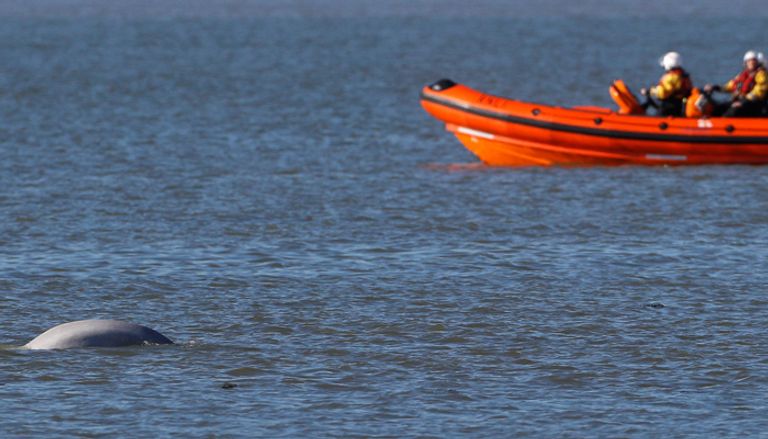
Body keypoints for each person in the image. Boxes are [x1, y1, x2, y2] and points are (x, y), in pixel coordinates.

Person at [704, 50, 768, 117]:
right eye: (749, 61)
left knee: (733, 110)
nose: (751, 63)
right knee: (719, 108)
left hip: (752, 104)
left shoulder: (761, 75)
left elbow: (759, 91)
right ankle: (710, 120)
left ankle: (723, 122)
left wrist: (743, 102)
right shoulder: (743, 75)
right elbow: (730, 86)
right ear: (745, 63)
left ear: (757, 62)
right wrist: (714, 87)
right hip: (741, 102)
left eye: (753, 61)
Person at [640, 52, 693, 117]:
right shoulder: (683, 75)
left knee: (653, 105)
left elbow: (662, 93)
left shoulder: (671, 77)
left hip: (670, 106)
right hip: (679, 104)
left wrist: (649, 91)